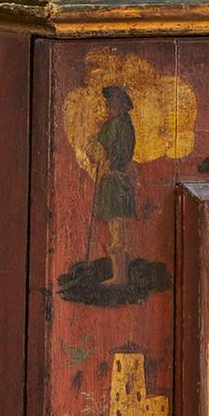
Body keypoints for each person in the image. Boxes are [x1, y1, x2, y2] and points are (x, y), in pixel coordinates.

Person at [89, 85, 138, 281]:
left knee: (117, 229)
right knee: (119, 229)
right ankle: (120, 275)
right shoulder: (124, 124)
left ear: (120, 104)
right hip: (119, 181)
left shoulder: (116, 125)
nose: (108, 105)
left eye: (111, 102)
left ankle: (120, 277)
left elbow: (108, 152)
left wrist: (96, 150)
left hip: (114, 181)